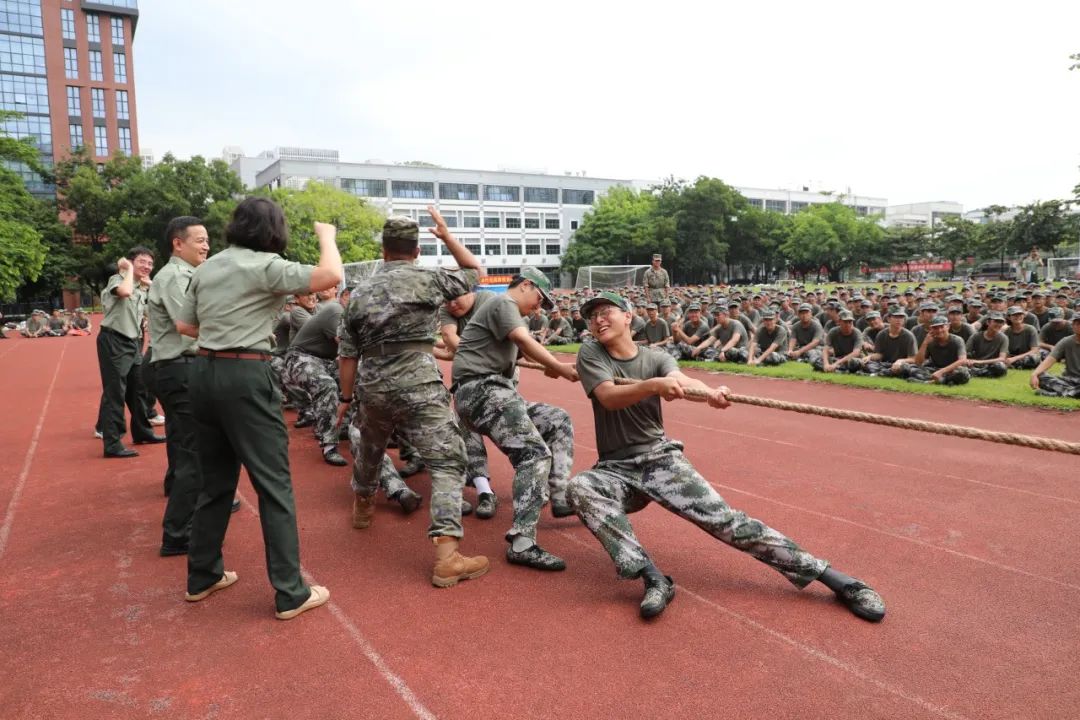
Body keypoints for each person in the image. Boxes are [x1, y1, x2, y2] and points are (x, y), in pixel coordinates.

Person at [566, 291, 885, 621]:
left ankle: (840, 581)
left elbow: (680, 379)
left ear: (628, 317)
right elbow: (608, 396)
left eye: (606, 312)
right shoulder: (592, 351)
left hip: (659, 460)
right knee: (581, 488)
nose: (598, 320)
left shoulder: (655, 358)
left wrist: (709, 394)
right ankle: (653, 578)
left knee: (727, 522)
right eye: (592, 317)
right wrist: (653, 386)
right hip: (616, 469)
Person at [176, 197, 338, 620]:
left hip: (203, 371)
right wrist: (327, 236)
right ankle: (290, 592)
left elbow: (185, 326)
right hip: (246, 374)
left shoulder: (207, 268)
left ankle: (202, 576)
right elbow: (330, 276)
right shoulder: (266, 265)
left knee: (215, 483)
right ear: (273, 231)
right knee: (274, 486)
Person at [337, 209, 489, 588]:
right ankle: (447, 558)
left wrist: (345, 397)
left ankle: (363, 506)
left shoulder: (358, 294)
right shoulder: (430, 279)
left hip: (372, 385)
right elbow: (475, 271)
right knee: (448, 461)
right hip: (419, 383)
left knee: (371, 451)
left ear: (384, 251)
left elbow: (347, 354)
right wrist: (448, 236)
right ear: (416, 250)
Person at [452, 265, 579, 572]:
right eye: (539, 297)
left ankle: (559, 495)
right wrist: (561, 368)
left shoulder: (504, 310)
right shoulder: (502, 303)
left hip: (490, 392)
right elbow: (524, 342)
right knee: (534, 455)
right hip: (482, 391)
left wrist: (547, 363)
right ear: (525, 285)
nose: (540, 305)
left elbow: (521, 350)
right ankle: (522, 542)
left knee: (557, 419)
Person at [149, 216, 210, 557]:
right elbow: (187, 326)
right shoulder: (174, 276)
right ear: (177, 243)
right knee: (195, 452)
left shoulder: (185, 274)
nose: (206, 245)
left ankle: (191, 504)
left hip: (177, 367)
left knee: (183, 442)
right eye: (199, 240)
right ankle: (177, 533)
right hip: (178, 367)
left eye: (207, 240)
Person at [95, 248, 165, 458]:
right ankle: (113, 443)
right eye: (142, 262)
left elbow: (156, 301)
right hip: (114, 340)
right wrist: (126, 270)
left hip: (133, 343)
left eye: (150, 264)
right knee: (115, 392)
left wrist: (147, 281)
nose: (146, 267)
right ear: (130, 262)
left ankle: (143, 432)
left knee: (139, 390)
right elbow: (124, 292)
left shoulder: (142, 287)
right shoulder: (118, 279)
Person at [439, 289, 500, 519]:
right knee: (467, 428)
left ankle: (543, 486)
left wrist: (462, 352)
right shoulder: (446, 310)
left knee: (514, 434)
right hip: (467, 380)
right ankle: (484, 490)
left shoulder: (490, 302)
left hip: (497, 378)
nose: (452, 304)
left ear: (470, 291)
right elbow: (449, 337)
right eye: (447, 300)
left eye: (456, 297)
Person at [907, 316, 970, 385]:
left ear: (948, 327)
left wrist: (941, 372)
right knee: (911, 369)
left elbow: (962, 361)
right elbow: (918, 363)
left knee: (962, 372)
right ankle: (943, 381)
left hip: (951, 370)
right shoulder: (930, 341)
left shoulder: (957, 340)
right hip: (935, 369)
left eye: (942, 327)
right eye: (936, 328)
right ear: (931, 329)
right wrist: (925, 343)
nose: (939, 330)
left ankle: (930, 382)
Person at [1030, 315, 1080, 398]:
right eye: (1076, 323)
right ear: (1072, 325)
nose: (1078, 325)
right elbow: (1050, 359)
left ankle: (1059, 394)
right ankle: (1072, 392)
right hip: (1069, 380)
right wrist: (1034, 374)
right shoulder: (1066, 341)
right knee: (1041, 376)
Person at [864, 308, 917, 377]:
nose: (899, 320)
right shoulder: (881, 334)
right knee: (867, 364)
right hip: (886, 363)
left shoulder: (909, 336)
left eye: (901, 317)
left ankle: (880, 374)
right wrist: (869, 357)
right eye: (895, 317)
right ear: (889, 319)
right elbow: (879, 354)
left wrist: (900, 361)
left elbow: (913, 359)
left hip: (901, 365)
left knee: (906, 369)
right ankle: (884, 373)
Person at [964, 312, 1009, 378]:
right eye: (996, 321)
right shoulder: (976, 336)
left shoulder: (1004, 338)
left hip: (992, 365)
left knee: (1001, 367)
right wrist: (968, 361)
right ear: (988, 322)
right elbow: (964, 353)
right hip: (975, 365)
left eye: (1001, 322)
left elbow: (1002, 358)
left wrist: (980, 362)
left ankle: (978, 373)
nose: (999, 324)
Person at [1002, 306, 1041, 370]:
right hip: (1012, 356)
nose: (1018, 317)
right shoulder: (1007, 331)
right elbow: (1005, 350)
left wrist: (1015, 358)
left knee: (1033, 358)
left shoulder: (1031, 329)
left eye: (1020, 314)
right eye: (1014, 315)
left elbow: (1034, 350)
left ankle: (1016, 365)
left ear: (1023, 316)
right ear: (1009, 317)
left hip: (1027, 356)